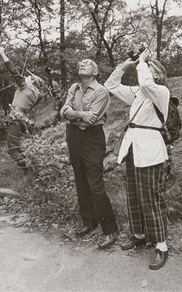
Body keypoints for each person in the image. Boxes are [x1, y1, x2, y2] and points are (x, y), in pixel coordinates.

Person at [104, 49, 170, 270]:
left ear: (157, 75)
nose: (144, 70)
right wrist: (124, 66)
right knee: (133, 194)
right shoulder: (138, 95)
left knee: (150, 197)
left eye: (149, 68)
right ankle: (140, 235)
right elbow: (111, 86)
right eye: (144, 67)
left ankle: (161, 245)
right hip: (133, 147)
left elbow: (147, 85)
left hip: (150, 149)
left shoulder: (160, 92)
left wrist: (142, 61)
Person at [60, 59, 119, 249]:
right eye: (80, 63)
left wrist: (75, 115)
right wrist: (81, 114)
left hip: (92, 138)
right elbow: (63, 111)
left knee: (95, 184)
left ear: (95, 71)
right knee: (80, 180)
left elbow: (90, 119)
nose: (82, 64)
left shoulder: (101, 91)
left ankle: (110, 230)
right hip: (74, 137)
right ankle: (89, 222)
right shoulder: (74, 87)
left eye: (87, 63)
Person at [0, 46, 59, 174]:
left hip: (16, 118)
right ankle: (30, 171)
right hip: (21, 119)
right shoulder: (35, 94)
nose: (26, 77)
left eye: (29, 77)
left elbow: (13, 71)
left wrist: (2, 53)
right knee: (17, 148)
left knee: (12, 150)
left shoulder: (25, 87)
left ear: (32, 82)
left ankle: (29, 172)